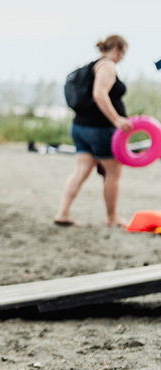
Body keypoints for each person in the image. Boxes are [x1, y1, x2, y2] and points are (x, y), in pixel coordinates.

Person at [54, 35, 132, 227]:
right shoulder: (107, 66)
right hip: (100, 130)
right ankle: (112, 217)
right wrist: (116, 120)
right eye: (123, 52)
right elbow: (99, 93)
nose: (123, 57)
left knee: (81, 170)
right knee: (113, 173)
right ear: (116, 48)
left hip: (80, 127)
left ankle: (62, 213)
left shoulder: (91, 66)